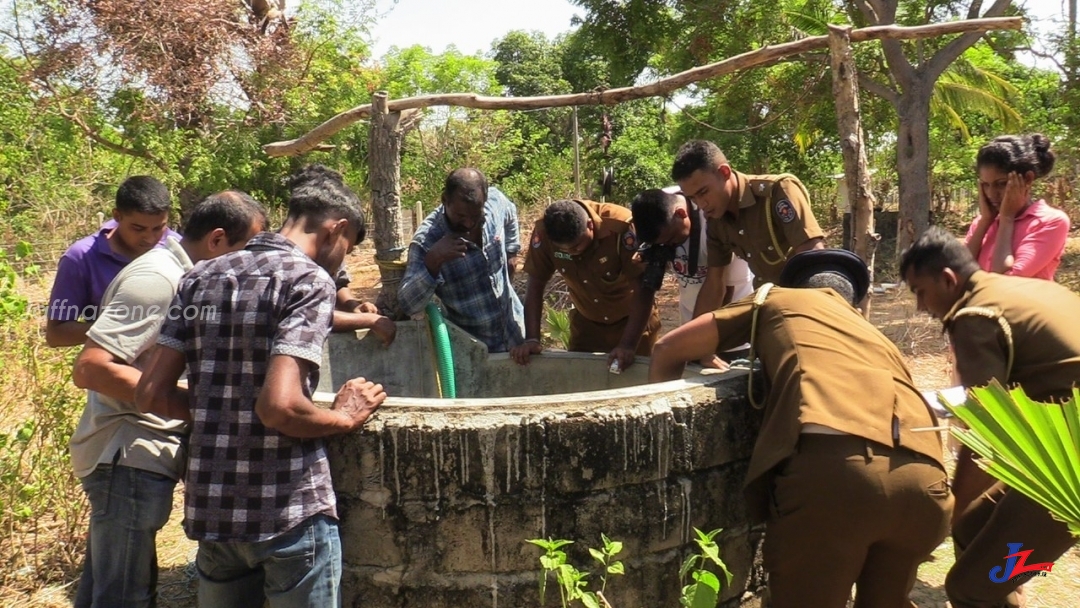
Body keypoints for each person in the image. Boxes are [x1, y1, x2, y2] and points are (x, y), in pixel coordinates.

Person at [134, 165, 386, 608]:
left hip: (215, 514)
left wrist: (221, 406)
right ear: (336, 230)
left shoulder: (199, 277)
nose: (342, 261)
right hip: (286, 512)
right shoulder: (308, 281)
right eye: (347, 248)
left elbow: (150, 393)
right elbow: (280, 408)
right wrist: (344, 416)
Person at [650, 249, 951, 608]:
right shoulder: (876, 338)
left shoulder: (777, 299)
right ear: (853, 303)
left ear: (793, 286)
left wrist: (660, 465)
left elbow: (668, 347)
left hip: (840, 481)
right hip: (927, 487)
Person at [69, 191, 267, 608]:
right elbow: (91, 367)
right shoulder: (158, 280)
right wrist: (197, 405)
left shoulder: (183, 276)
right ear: (216, 240)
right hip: (129, 453)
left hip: (138, 454)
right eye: (246, 250)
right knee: (125, 596)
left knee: (106, 590)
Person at [900, 227, 1079, 608]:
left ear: (948, 280)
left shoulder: (973, 316)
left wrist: (943, 517)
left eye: (920, 292)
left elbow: (988, 430)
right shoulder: (1026, 290)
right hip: (1060, 452)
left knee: (969, 588)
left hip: (1071, 469)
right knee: (975, 530)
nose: (920, 306)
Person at [670, 140, 825, 324]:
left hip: (807, 308)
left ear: (724, 172)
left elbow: (814, 259)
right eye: (692, 198)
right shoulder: (716, 221)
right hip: (769, 312)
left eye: (703, 192)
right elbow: (714, 284)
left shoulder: (776, 193)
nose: (701, 204)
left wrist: (819, 320)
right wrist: (692, 340)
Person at [510, 199, 660, 369]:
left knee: (637, 384)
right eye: (564, 250)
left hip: (632, 324)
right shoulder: (546, 231)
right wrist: (532, 339)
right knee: (581, 382)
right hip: (586, 324)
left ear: (590, 225)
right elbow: (536, 284)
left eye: (576, 246)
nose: (572, 253)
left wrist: (628, 345)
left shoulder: (621, 228)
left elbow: (643, 289)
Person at [397, 168, 524, 352]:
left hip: (516, 335)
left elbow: (510, 211)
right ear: (444, 201)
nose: (468, 223)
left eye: (475, 215)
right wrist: (433, 261)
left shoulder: (494, 203)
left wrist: (512, 252)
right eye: (460, 216)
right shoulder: (427, 241)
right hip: (474, 351)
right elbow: (408, 304)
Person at [47, 176, 179, 347]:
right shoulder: (80, 258)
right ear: (117, 216)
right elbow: (56, 334)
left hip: (171, 370)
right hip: (110, 366)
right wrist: (121, 328)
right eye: (138, 229)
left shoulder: (176, 249)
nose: (150, 238)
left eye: (159, 228)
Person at [630, 187, 754, 368]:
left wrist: (704, 345)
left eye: (671, 239)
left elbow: (724, 288)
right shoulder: (656, 208)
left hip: (731, 334)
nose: (669, 246)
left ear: (681, 214)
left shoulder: (716, 217)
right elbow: (647, 287)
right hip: (693, 331)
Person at [965, 133, 1070, 280]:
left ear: (1027, 179)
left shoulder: (1049, 222)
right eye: (985, 185)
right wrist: (985, 222)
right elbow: (957, 275)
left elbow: (1005, 281)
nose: (991, 194)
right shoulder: (983, 223)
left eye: (1001, 184)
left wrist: (1007, 218)